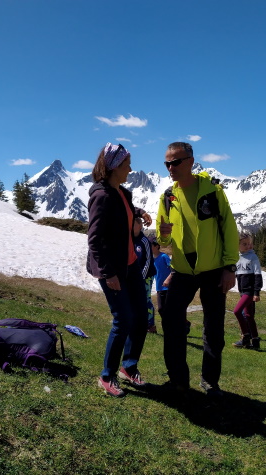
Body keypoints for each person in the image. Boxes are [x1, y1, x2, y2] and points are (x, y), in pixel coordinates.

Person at [154, 141, 240, 396]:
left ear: (190, 161)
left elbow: (229, 229)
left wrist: (230, 267)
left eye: (175, 162)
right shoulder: (167, 196)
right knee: (171, 323)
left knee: (214, 328)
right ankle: (178, 380)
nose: (170, 167)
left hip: (213, 269)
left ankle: (210, 381)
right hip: (181, 270)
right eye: (167, 163)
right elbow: (163, 240)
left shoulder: (212, 191)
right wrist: (163, 233)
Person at [85, 144, 151, 397]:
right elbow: (95, 239)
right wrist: (107, 273)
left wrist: (139, 212)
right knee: (123, 319)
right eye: (126, 165)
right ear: (114, 167)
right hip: (112, 268)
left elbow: (122, 213)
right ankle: (107, 375)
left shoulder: (121, 192)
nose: (131, 169)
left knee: (141, 317)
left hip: (130, 263)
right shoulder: (101, 196)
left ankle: (129, 366)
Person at [231, 230, 262, 350]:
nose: (248, 246)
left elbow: (258, 275)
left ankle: (245, 336)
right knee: (248, 316)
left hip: (249, 292)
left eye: (250, 243)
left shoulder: (253, 257)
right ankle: (254, 340)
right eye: (245, 244)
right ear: (237, 245)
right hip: (242, 291)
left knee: (237, 311)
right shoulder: (237, 257)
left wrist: (256, 292)